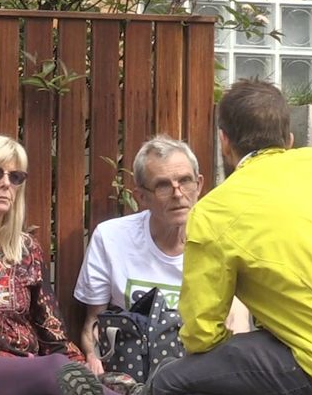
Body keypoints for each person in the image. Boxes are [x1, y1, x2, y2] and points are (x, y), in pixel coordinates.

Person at [135, 79, 312, 395]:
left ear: (224, 142)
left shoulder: (216, 211)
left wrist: (240, 364)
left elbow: (201, 333)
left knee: (170, 384)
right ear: (289, 138)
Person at [0, 134, 162, 395]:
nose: (6, 184)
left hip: (26, 377)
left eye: (16, 177)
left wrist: (83, 367)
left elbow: (50, 326)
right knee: (53, 369)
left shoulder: (26, 250)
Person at [75, 136, 250, 376]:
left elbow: (238, 326)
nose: (178, 194)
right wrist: (93, 358)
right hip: (132, 373)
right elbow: (93, 323)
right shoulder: (111, 238)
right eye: (163, 186)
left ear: (199, 185)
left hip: (202, 374)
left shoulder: (224, 241)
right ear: (141, 196)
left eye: (185, 181)